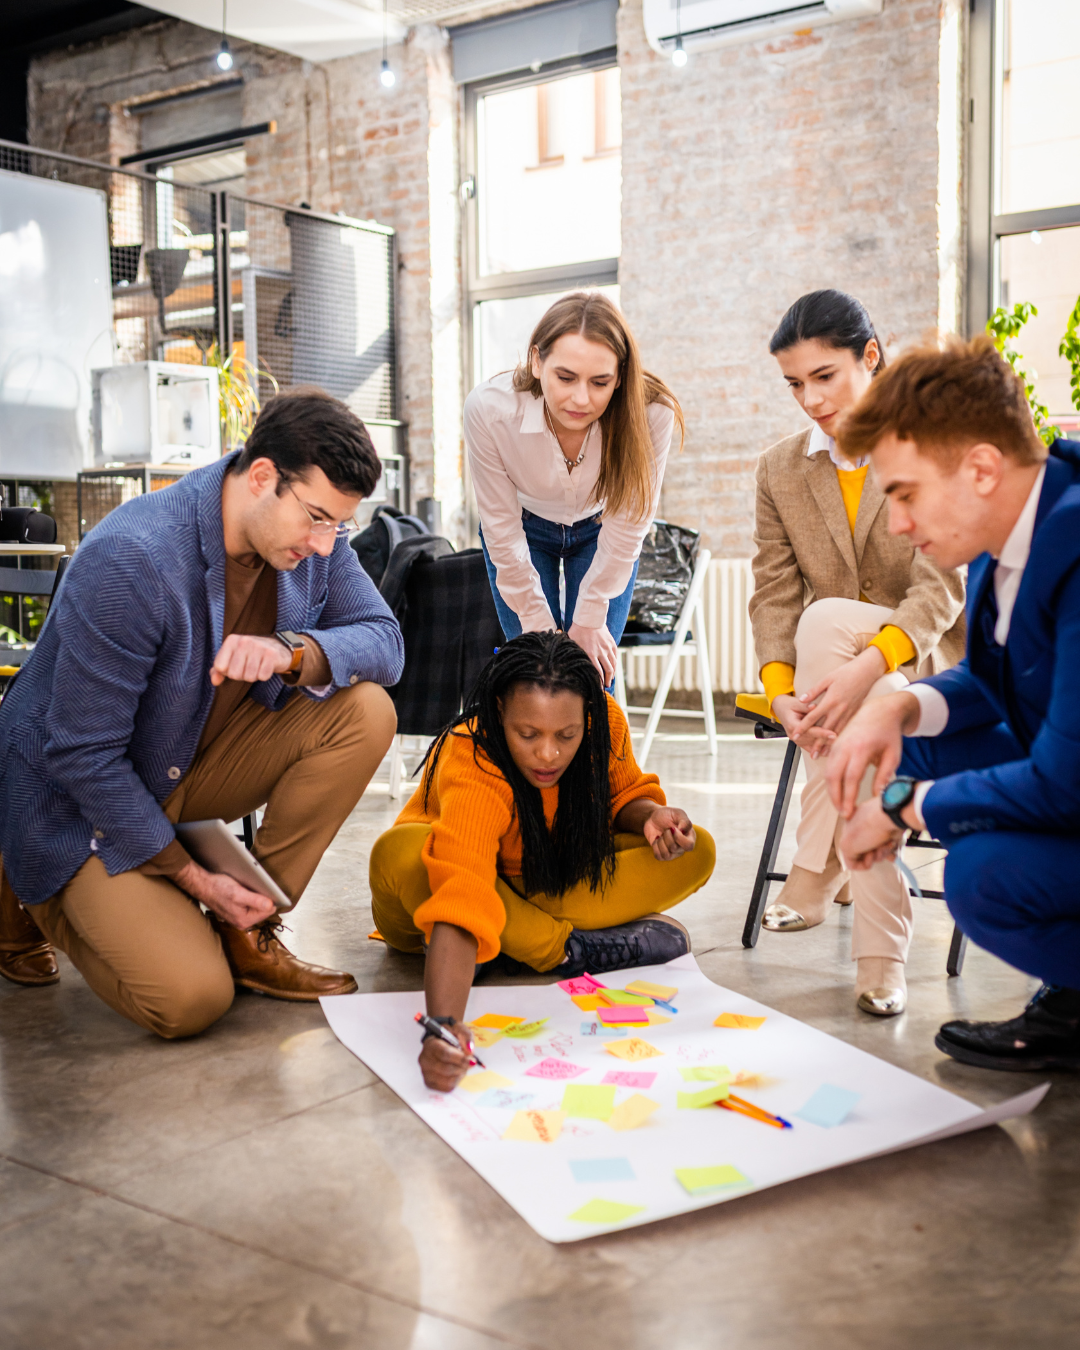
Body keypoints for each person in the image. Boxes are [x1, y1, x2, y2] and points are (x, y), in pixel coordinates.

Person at [0, 390, 403, 1038]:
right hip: (78, 798)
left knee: (366, 711)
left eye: (339, 525)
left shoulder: (311, 542)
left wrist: (287, 651)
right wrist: (195, 879)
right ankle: (21, 872)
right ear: (264, 476)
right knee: (190, 999)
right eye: (317, 518)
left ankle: (251, 929)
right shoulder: (132, 558)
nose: (327, 545)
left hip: (185, 759)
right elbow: (82, 756)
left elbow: (386, 641)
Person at [826, 335, 1080, 1072]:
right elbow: (1006, 682)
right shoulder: (1023, 527)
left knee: (981, 879)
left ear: (980, 468)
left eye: (904, 494)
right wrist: (897, 705)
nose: (898, 524)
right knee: (911, 744)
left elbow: (1064, 781)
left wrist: (905, 807)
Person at [368, 631, 715, 1091]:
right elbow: (464, 886)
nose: (548, 754)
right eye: (527, 734)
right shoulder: (474, 749)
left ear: (586, 718)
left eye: (566, 736)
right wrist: (442, 1027)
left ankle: (505, 943)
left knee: (697, 850)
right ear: (498, 714)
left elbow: (623, 795)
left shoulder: (604, 720)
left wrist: (651, 817)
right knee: (402, 852)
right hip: (441, 896)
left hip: (543, 882)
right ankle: (564, 950)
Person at [750, 290, 965, 1016]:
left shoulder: (928, 440)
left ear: (870, 357)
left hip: (926, 662)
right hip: (829, 680)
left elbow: (943, 588)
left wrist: (865, 667)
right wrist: (782, 693)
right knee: (817, 624)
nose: (809, 399)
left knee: (829, 623)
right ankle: (881, 955)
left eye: (826, 376)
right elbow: (774, 592)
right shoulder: (780, 469)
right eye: (794, 384)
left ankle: (814, 863)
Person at [465, 291, 684, 688]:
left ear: (620, 377)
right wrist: (538, 628)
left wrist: (589, 618)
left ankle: (603, 752)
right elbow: (500, 525)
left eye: (600, 382)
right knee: (536, 674)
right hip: (524, 529)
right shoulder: (489, 409)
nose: (581, 399)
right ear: (536, 361)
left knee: (594, 674)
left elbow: (630, 522)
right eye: (565, 378)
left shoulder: (652, 412)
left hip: (604, 530)